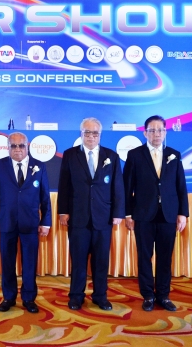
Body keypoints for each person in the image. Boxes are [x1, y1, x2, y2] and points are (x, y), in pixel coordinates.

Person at [123, 115, 188, 312]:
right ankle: (148, 295)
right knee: (144, 256)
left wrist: (183, 213)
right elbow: (127, 187)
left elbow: (181, 186)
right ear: (145, 133)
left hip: (168, 214)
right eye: (152, 130)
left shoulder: (174, 154)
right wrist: (128, 214)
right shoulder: (135, 155)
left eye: (160, 130)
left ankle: (163, 295)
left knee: (165, 257)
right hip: (143, 214)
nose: (157, 134)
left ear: (165, 132)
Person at [58, 117, 124, 311]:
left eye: (95, 133)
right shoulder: (70, 155)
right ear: (81, 134)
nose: (91, 136)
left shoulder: (111, 156)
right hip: (78, 217)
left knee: (101, 260)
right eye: (87, 132)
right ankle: (76, 296)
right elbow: (64, 185)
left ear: (100, 135)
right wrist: (63, 211)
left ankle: (100, 296)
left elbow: (117, 186)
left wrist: (118, 213)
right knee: (78, 260)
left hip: (103, 217)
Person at [0, 132, 51, 313]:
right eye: (13, 146)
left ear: (27, 146)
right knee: (7, 262)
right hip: (7, 222)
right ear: (8, 148)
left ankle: (29, 298)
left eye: (21, 145)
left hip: (30, 223)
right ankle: (9, 297)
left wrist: (46, 222)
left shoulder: (39, 166)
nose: (17, 149)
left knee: (30, 263)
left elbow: (45, 197)